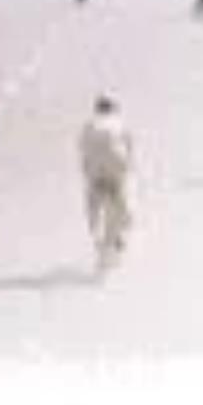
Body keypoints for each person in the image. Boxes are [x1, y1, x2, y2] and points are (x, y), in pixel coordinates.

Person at [79, 95, 135, 276]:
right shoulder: (119, 124)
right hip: (116, 170)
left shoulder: (88, 126)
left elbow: (83, 153)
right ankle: (115, 244)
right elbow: (130, 151)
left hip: (96, 174)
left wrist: (89, 174)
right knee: (122, 211)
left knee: (95, 212)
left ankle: (102, 248)